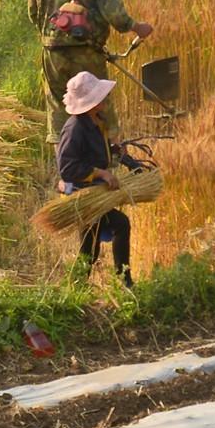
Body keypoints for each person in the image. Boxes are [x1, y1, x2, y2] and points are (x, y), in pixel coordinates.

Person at [30, 0, 149, 135]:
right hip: (86, 52)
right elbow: (117, 16)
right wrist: (137, 27)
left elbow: (34, 14)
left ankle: (66, 165)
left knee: (59, 113)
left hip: (52, 54)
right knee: (98, 106)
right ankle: (107, 162)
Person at [56, 70, 135, 286]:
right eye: (101, 96)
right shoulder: (74, 129)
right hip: (83, 194)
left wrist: (117, 151)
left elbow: (96, 151)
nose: (105, 99)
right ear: (91, 103)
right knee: (119, 225)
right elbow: (67, 168)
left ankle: (76, 288)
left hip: (94, 192)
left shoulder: (95, 121)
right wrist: (100, 173)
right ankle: (125, 282)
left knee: (89, 246)